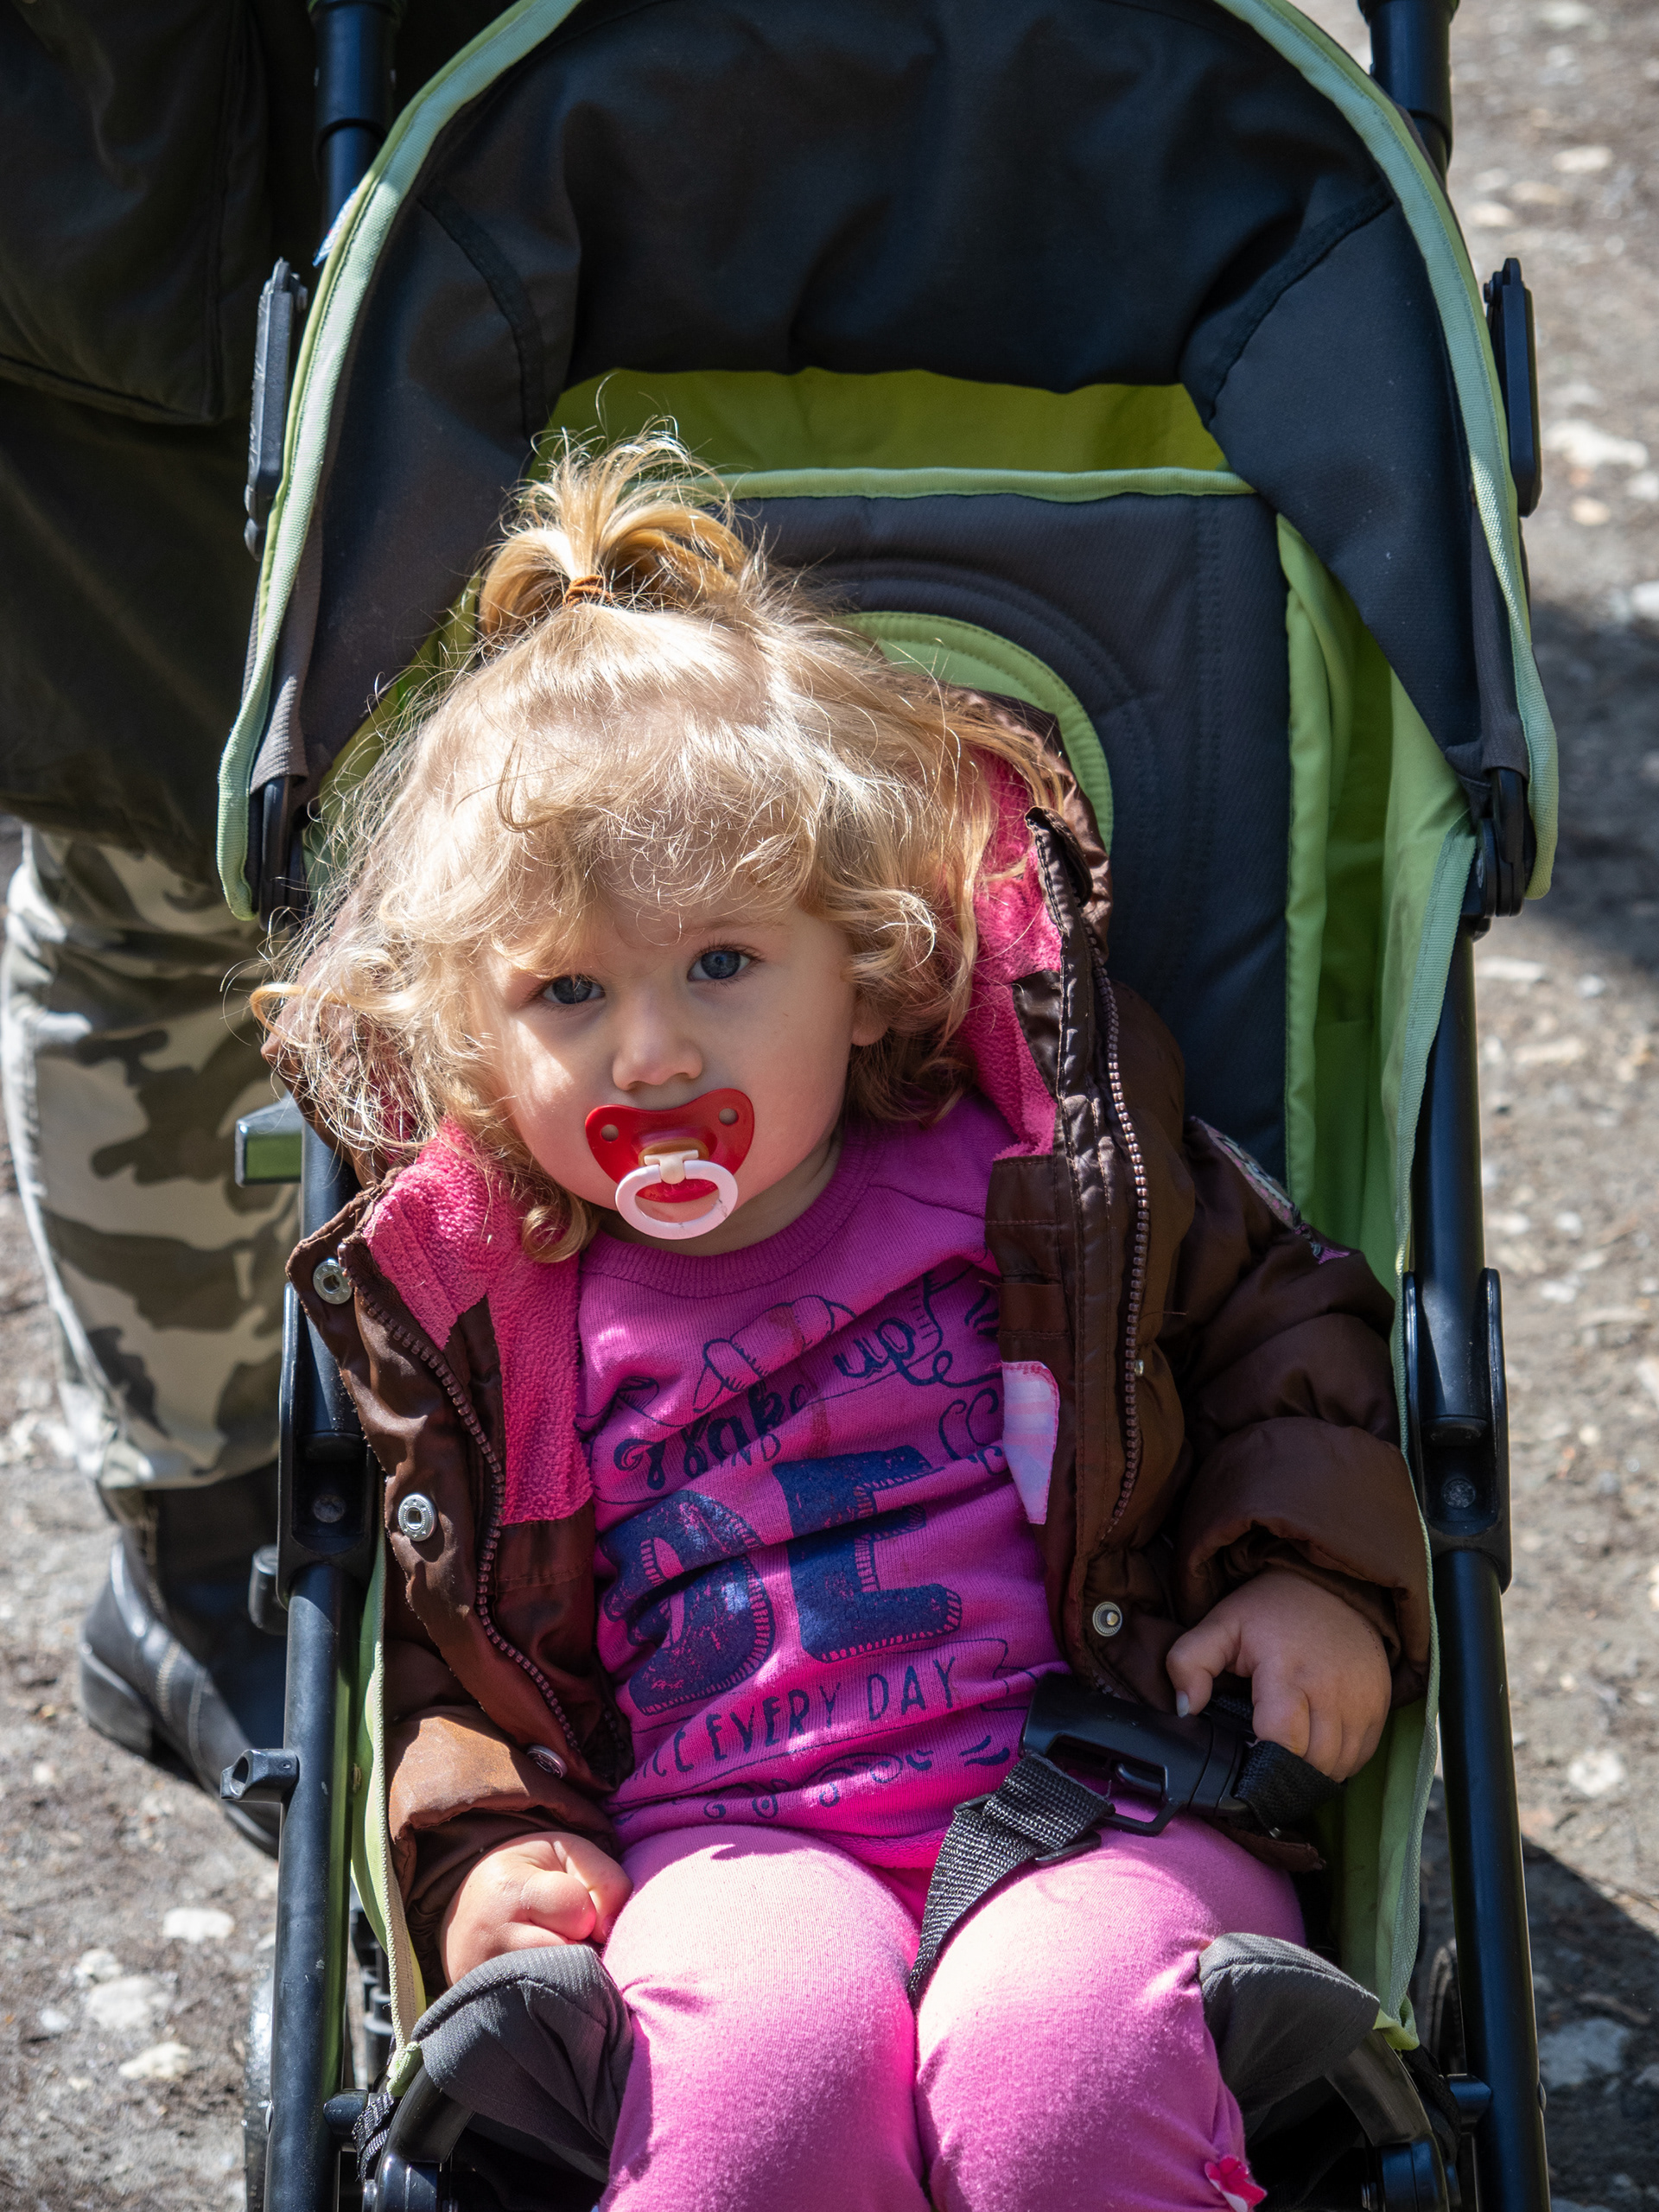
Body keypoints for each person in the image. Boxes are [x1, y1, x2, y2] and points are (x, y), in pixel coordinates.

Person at [262, 439, 1429, 2212]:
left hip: (1095, 1800)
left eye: (724, 964)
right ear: (475, 1045)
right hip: (719, 1853)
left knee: (1065, 2066)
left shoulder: (1036, 1173)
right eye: (569, 991)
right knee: (744, 2096)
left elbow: (1286, 1343)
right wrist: (490, 1850)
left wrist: (1305, 1575)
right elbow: (448, 1660)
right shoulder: (503, 1312)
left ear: (868, 964)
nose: (655, 1050)